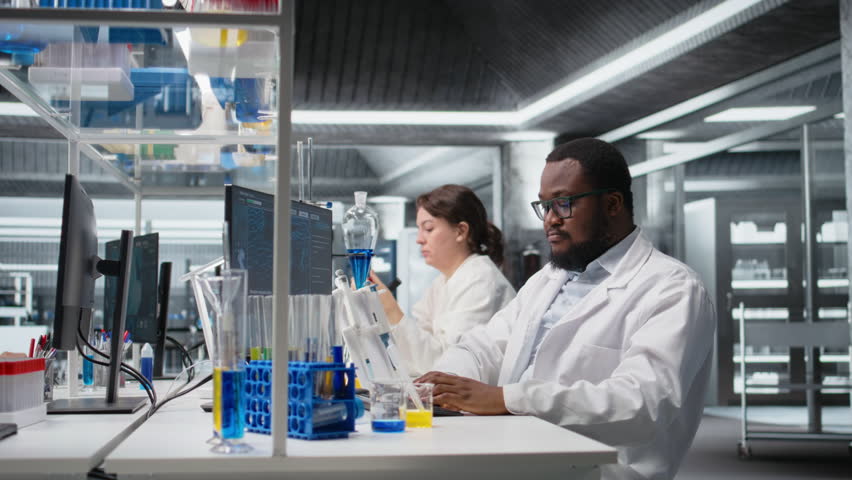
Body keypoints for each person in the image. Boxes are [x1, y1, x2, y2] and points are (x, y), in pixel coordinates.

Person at [418, 139, 716, 480]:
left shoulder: (672, 287)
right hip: (518, 451)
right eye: (544, 206)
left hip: (601, 471)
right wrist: (442, 385)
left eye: (563, 203)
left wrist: (509, 399)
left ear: (613, 204)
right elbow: (484, 345)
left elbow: (641, 404)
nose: (550, 220)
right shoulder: (549, 279)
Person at [368, 184, 516, 376]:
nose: (419, 239)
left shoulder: (480, 279)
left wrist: (390, 309)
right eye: (419, 229)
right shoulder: (442, 282)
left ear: (461, 231)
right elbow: (417, 353)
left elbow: (450, 369)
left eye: (428, 229)